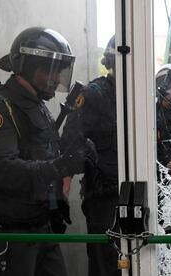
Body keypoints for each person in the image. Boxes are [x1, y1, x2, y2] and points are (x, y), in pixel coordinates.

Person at [0, 27, 93, 276]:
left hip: (40, 226)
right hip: (11, 232)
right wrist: (62, 166)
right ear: (28, 66)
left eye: (58, 71)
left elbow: (42, 155)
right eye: (49, 70)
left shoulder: (35, 105)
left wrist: (76, 150)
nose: (56, 78)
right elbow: (3, 170)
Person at [61, 35, 120, 276]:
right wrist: (63, 187)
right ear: (111, 61)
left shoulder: (143, 97)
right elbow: (69, 143)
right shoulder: (94, 94)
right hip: (104, 198)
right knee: (105, 264)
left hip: (138, 196)